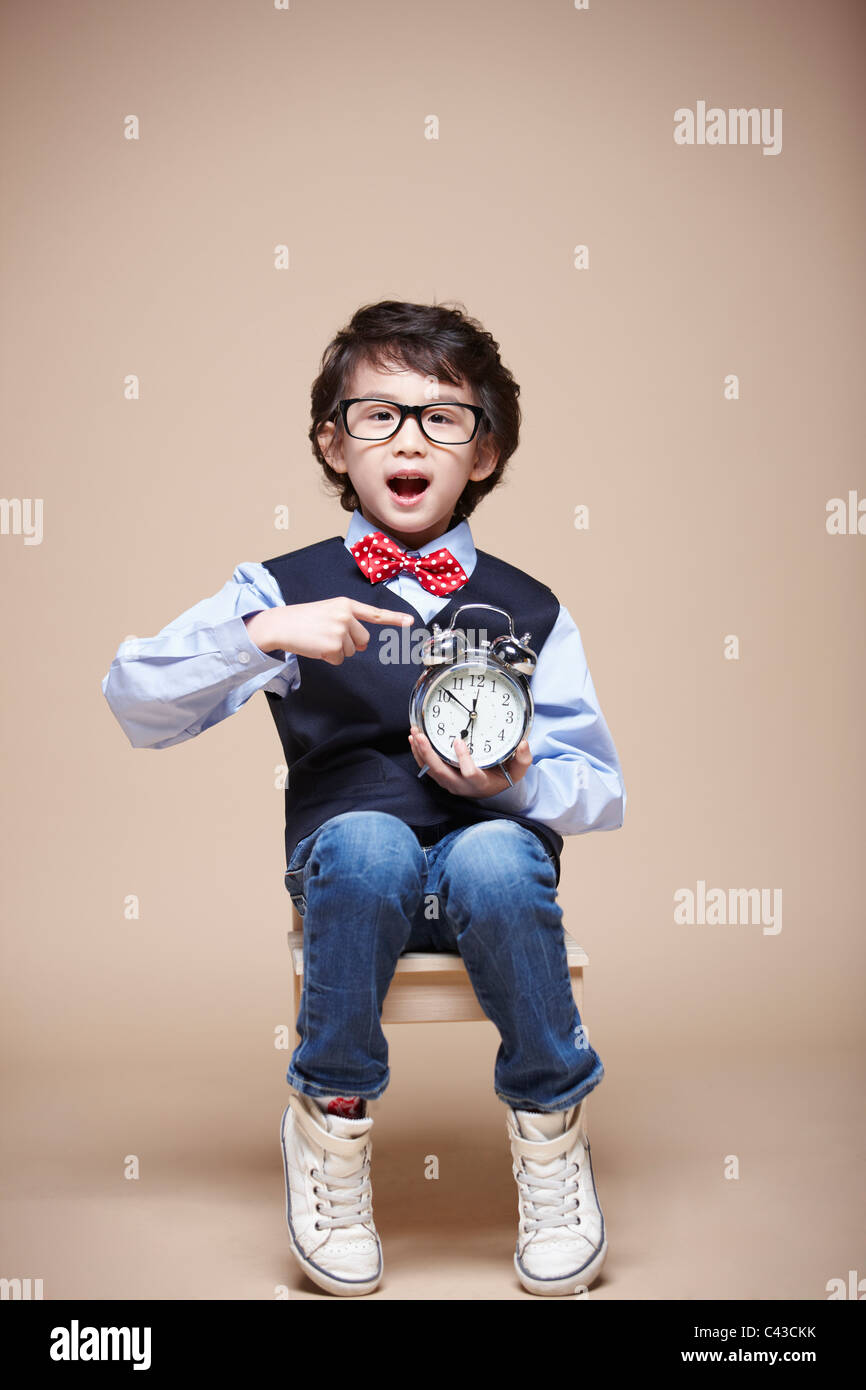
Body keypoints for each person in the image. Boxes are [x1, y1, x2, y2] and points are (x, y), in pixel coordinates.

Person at [101, 299, 626, 1299]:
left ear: (484, 451)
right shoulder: (281, 586)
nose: (410, 438)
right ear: (333, 444)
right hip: (351, 876)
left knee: (493, 854)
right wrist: (260, 634)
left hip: (490, 875)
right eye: (377, 414)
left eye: (443, 416)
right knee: (372, 844)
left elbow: (598, 792)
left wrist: (519, 782)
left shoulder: (532, 608)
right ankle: (330, 1123)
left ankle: (552, 1136)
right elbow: (135, 701)